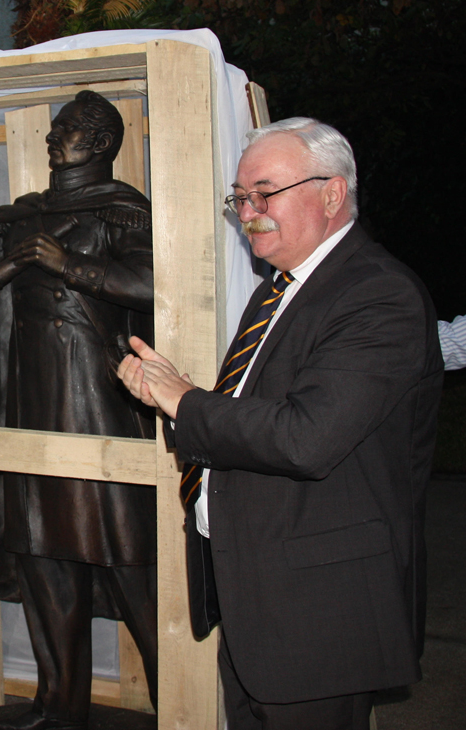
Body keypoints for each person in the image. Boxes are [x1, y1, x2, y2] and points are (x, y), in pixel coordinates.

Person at [118, 118, 443, 730]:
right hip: (259, 594)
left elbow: (304, 438)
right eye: (240, 197)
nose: (249, 210)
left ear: (331, 193)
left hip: (319, 612)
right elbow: (259, 407)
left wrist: (186, 401)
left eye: (265, 192)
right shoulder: (283, 288)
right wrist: (174, 395)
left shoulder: (378, 294)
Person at [0, 90, 156, 730]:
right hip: (26, 407)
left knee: (131, 554)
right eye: (54, 128)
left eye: (69, 129)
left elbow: (159, 288)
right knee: (41, 554)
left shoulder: (123, 212)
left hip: (100, 408)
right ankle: (59, 706)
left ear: (102, 142)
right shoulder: (17, 217)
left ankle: (180, 701)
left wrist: (70, 265)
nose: (54, 138)